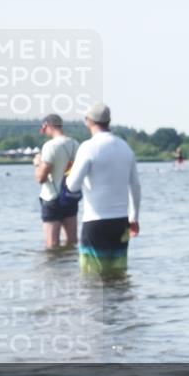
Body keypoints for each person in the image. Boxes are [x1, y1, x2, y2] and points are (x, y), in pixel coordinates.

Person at [66, 103, 141, 275]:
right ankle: (120, 303)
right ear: (109, 121)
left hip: (95, 222)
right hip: (122, 222)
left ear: (89, 121)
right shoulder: (125, 147)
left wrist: (70, 174)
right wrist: (134, 217)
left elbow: (72, 185)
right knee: (118, 274)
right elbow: (135, 185)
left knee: (92, 278)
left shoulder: (88, 147)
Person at [33, 113, 80, 248]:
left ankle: (54, 269)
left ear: (48, 125)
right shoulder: (75, 144)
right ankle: (69, 268)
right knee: (72, 242)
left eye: (44, 127)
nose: (44, 131)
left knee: (52, 244)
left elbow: (41, 178)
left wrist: (37, 163)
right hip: (70, 197)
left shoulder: (50, 146)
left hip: (52, 198)